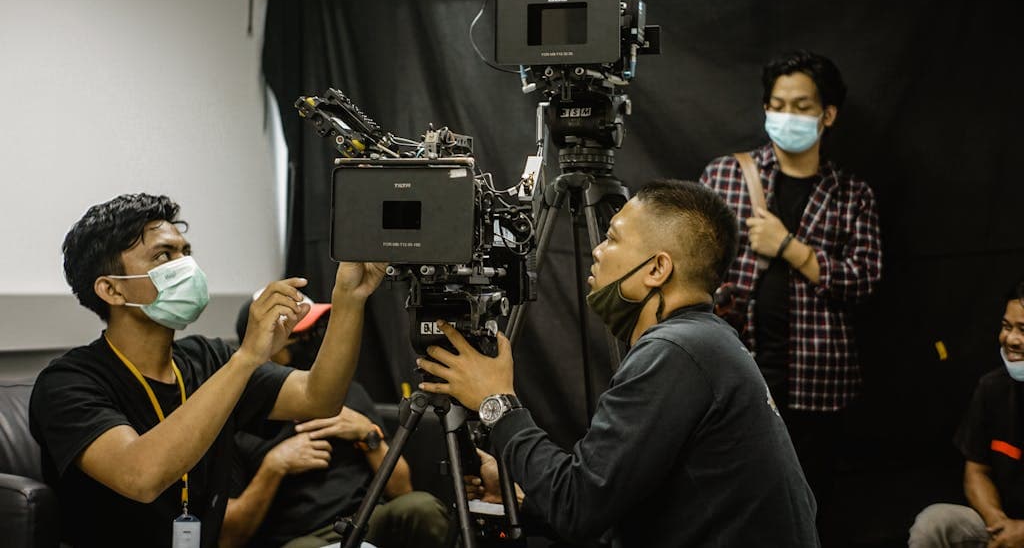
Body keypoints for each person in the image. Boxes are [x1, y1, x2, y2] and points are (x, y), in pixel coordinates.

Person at [418, 179, 819, 547]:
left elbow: (577, 508)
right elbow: (610, 506)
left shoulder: (675, 352)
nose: (597, 251)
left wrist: (497, 402)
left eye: (612, 239)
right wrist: (522, 499)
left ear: (657, 269)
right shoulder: (706, 343)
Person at [29, 193, 385, 547]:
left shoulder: (206, 358)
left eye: (185, 252)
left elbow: (318, 397)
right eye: (164, 255)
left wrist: (349, 298)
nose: (186, 266)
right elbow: (140, 477)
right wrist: (247, 357)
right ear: (112, 290)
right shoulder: (67, 384)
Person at [699, 49, 883, 529]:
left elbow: (864, 280)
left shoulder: (851, 194)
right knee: (736, 503)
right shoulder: (725, 175)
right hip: (738, 372)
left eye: (801, 106)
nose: (787, 116)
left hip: (818, 382)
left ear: (828, 114)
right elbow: (694, 265)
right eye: (777, 105)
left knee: (811, 505)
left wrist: (790, 248)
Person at [222, 296, 449, 548]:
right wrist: (273, 468)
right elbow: (229, 537)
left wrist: (368, 435)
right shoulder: (235, 419)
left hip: (366, 519)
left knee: (421, 508)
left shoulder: (347, 393)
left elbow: (402, 489)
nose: (310, 339)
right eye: (298, 333)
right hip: (302, 537)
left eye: (314, 329)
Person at [909, 281, 1024, 548]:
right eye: (1007, 327)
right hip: (1005, 525)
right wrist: (1000, 524)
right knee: (934, 524)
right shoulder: (992, 388)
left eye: (1023, 330)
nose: (1011, 339)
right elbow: (976, 471)